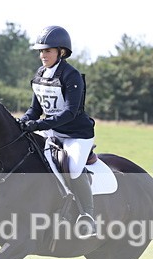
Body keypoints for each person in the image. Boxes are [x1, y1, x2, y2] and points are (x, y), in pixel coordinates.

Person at [18, 25, 97, 238]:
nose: (43, 55)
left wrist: (39, 125)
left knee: (73, 168)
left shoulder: (72, 76)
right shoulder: (40, 74)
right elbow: (35, 110)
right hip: (51, 131)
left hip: (76, 134)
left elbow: (70, 112)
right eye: (41, 51)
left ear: (61, 52)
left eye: (48, 51)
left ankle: (87, 216)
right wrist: (23, 121)